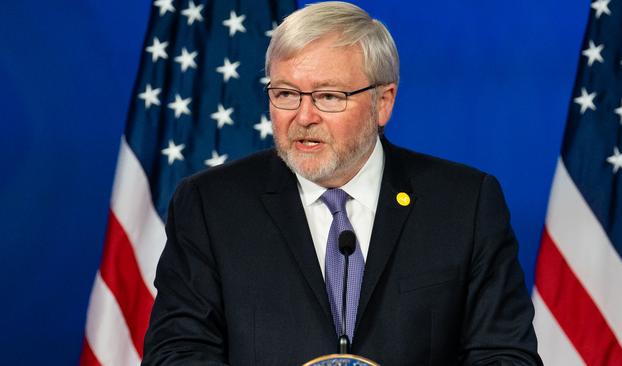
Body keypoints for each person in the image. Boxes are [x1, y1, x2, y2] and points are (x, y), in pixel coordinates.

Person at [142, 2, 542, 365]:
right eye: (285, 94)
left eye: (329, 96)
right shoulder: (211, 206)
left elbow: (505, 356)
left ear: (383, 102)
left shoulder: (464, 205)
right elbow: (176, 353)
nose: (303, 116)